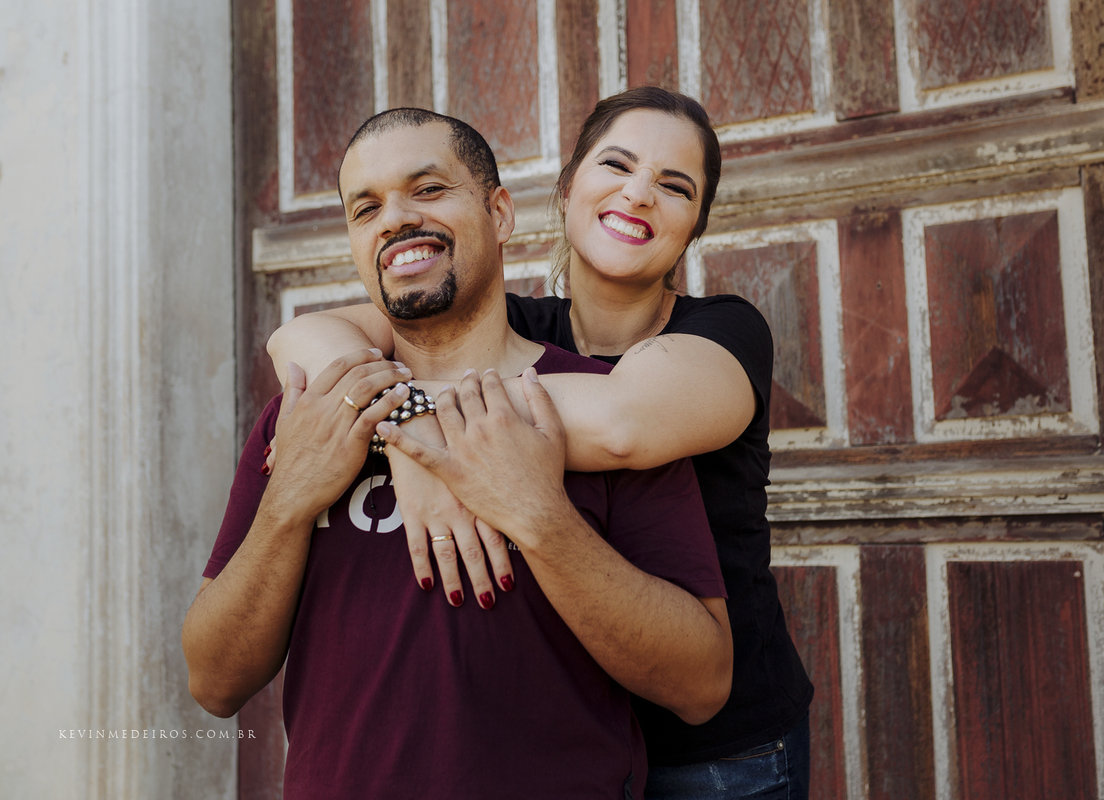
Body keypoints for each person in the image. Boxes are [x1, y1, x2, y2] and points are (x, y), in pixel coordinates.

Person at [269, 87, 814, 798]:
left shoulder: (724, 333)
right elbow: (300, 340)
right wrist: (404, 427)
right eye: (616, 165)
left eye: (675, 186)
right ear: (566, 189)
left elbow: (621, 424)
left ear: (694, 226)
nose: (639, 193)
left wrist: (410, 427)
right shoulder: (510, 328)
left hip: (718, 753)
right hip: (577, 733)